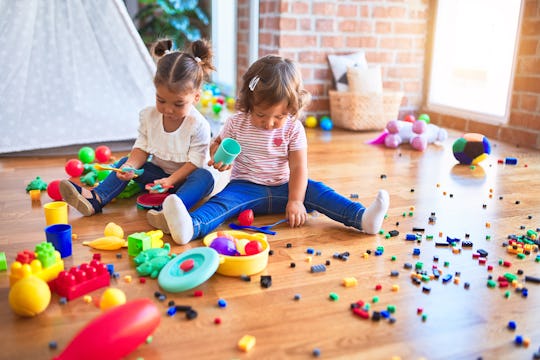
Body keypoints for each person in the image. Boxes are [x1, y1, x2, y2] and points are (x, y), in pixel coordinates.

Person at [147, 54, 390, 245]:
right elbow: (217, 146)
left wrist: (296, 200)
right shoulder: (236, 123)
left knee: (321, 192)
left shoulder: (293, 129)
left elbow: (298, 167)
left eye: (280, 116)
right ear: (249, 103)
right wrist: (216, 156)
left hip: (286, 187)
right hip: (245, 187)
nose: (270, 123)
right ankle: (191, 226)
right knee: (221, 203)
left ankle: (362, 218)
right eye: (262, 114)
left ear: (292, 109)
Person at [60, 39, 219, 216]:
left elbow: (195, 163)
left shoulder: (198, 125)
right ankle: (96, 198)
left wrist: (170, 180)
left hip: (188, 180)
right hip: (158, 178)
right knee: (123, 163)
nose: (168, 109)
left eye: (178, 104)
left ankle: (172, 211)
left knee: (204, 178)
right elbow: (141, 149)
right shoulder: (149, 116)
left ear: (196, 97)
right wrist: (130, 166)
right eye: (161, 100)